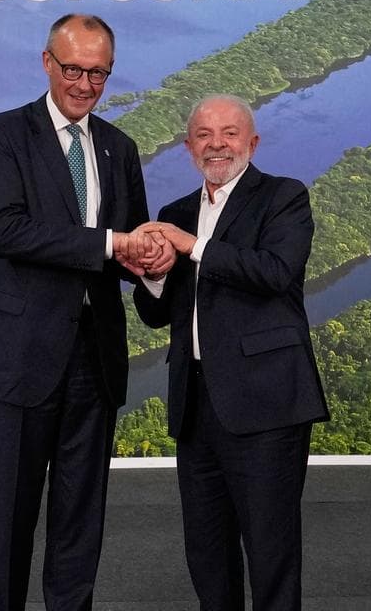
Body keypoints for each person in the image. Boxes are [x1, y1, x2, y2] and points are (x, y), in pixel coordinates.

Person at [0, 13, 173, 611]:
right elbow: (11, 232)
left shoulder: (119, 147)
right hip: (19, 360)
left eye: (98, 73)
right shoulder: (1, 135)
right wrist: (112, 244)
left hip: (95, 363)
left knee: (81, 519)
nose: (84, 84)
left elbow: (132, 246)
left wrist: (152, 264)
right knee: (10, 519)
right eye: (73, 69)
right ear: (47, 63)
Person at [131, 94, 329, 610]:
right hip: (196, 407)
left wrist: (189, 245)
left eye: (229, 133)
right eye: (203, 135)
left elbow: (274, 274)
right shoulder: (175, 213)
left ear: (252, 142)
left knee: (270, 549)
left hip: (267, 406)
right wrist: (153, 274)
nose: (216, 144)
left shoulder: (284, 198)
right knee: (206, 550)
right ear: (187, 146)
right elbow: (157, 314)